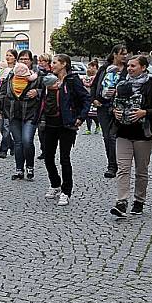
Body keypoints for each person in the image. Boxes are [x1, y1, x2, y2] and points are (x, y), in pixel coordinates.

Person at [109, 55, 152, 219]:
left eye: (133, 66)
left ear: (143, 67)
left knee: (141, 170)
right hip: (123, 132)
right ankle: (121, 202)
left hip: (143, 134)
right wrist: (114, 112)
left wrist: (144, 112)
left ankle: (139, 201)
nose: (130, 69)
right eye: (129, 66)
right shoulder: (121, 83)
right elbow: (112, 104)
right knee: (123, 169)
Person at [40, 54, 90, 206]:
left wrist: (80, 117)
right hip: (49, 123)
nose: (52, 65)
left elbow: (86, 98)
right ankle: (55, 184)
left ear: (64, 64)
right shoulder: (48, 79)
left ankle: (66, 191)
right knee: (48, 156)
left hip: (66, 124)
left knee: (64, 158)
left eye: (55, 62)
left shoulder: (72, 80)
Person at [1, 51, 43, 181]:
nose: (24, 61)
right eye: (22, 59)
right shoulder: (11, 74)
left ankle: (30, 167)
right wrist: (3, 107)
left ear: (31, 61)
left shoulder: (37, 76)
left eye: (27, 59)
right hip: (13, 114)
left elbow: (46, 91)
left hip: (30, 113)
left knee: (27, 140)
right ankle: (19, 170)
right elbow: (2, 92)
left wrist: (37, 91)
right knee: (18, 143)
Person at [91, 44, 128, 178]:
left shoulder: (127, 70)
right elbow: (95, 85)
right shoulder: (104, 69)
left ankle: (120, 164)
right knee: (107, 137)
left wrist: (118, 91)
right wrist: (94, 99)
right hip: (103, 106)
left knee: (117, 137)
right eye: (122, 53)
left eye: (126, 54)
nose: (125, 56)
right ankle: (112, 165)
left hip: (120, 107)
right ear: (114, 54)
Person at [0, 49, 17, 158]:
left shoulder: (16, 69)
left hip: (11, 102)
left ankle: (3, 149)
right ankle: (12, 145)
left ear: (15, 57)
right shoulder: (2, 70)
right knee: (2, 127)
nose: (8, 57)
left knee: (6, 127)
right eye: (7, 55)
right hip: (2, 100)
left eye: (10, 55)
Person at [35, 53, 52, 160]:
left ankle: (48, 150)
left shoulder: (50, 73)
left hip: (48, 105)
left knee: (47, 130)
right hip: (39, 105)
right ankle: (44, 150)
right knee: (41, 130)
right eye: (39, 61)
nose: (40, 63)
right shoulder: (37, 73)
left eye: (43, 61)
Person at [83, 60, 100, 135]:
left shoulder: (97, 77)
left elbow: (90, 84)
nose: (88, 69)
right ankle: (88, 128)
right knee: (87, 114)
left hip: (94, 97)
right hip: (86, 97)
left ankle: (97, 125)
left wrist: (84, 82)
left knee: (94, 114)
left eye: (90, 67)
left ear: (94, 67)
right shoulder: (87, 76)